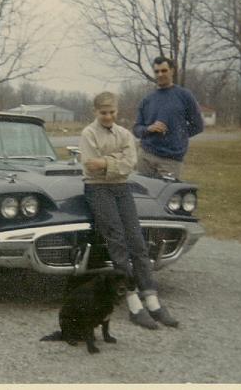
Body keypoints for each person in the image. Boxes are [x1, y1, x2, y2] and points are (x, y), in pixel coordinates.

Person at [79, 92, 178, 329]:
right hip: (98, 190)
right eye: (103, 112)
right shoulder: (88, 134)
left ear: (117, 111)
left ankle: (152, 300)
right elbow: (91, 167)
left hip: (122, 189)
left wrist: (106, 162)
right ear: (95, 112)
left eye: (112, 112)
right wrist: (115, 162)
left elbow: (130, 164)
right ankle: (133, 303)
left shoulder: (124, 134)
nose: (108, 116)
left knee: (137, 241)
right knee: (117, 241)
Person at [133, 57, 204, 179]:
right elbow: (136, 129)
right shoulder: (147, 99)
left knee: (169, 197)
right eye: (157, 71)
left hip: (171, 161)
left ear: (172, 71)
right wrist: (149, 129)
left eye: (164, 70)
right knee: (144, 196)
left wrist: (177, 135)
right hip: (145, 157)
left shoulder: (184, 95)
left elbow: (198, 126)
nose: (160, 74)